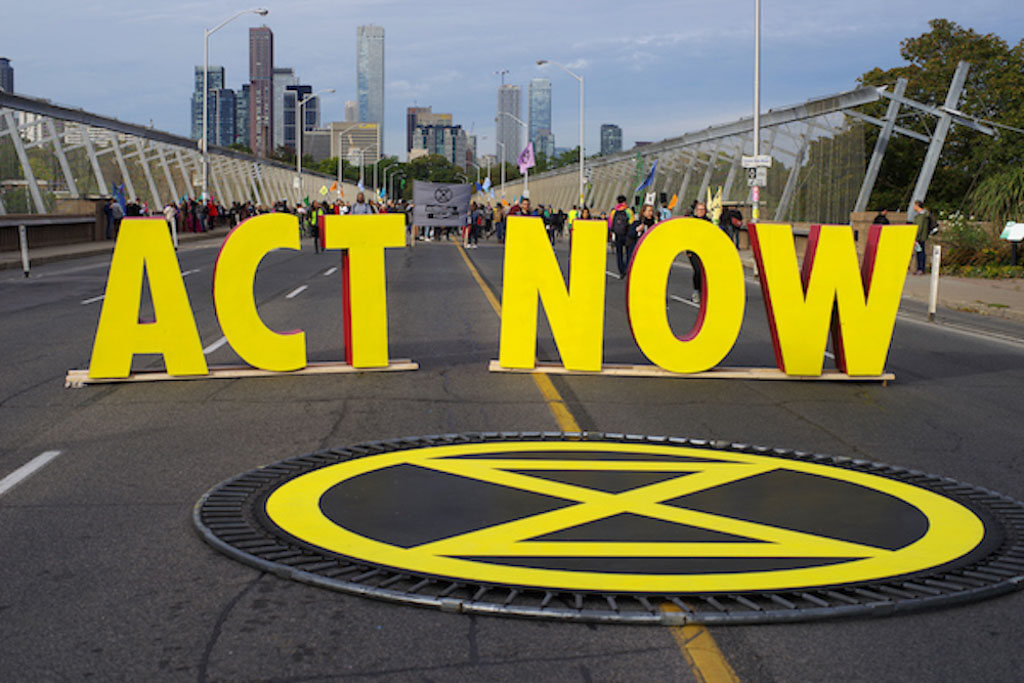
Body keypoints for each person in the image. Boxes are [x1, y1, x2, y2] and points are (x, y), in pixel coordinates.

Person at [688, 202, 714, 303]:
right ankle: (696, 291)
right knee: (698, 271)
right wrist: (689, 251)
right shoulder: (692, 221)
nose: (701, 211)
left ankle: (704, 292)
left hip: (705, 250)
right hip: (694, 251)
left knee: (705, 272)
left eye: (703, 209)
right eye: (699, 209)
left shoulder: (708, 222)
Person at [608, 195, 634, 278]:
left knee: (619, 253)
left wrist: (611, 232)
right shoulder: (628, 211)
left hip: (617, 235)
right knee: (628, 252)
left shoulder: (613, 212)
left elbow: (610, 224)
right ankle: (627, 268)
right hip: (627, 235)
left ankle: (621, 270)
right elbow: (632, 222)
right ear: (624, 201)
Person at [626, 204, 657, 268]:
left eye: (652, 211)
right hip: (637, 251)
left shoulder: (654, 224)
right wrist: (637, 230)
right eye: (649, 211)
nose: (651, 213)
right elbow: (630, 234)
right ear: (643, 212)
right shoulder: (637, 222)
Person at [912, 199, 937, 274]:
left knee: (920, 252)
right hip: (922, 236)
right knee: (920, 251)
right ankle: (920, 268)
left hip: (920, 237)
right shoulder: (924, 215)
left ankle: (920, 268)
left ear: (917, 206)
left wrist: (915, 237)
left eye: (914, 205)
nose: (913, 207)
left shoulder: (921, 216)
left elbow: (919, 227)